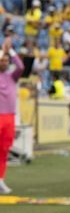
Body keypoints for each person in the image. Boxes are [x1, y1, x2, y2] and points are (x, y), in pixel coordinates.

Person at [0, 37, 22, 195]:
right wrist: (3, 50)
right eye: (2, 60)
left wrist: (11, 51)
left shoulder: (12, 76)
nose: (4, 63)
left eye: (7, 61)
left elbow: (21, 66)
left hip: (10, 117)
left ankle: (0, 179)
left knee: (4, 150)